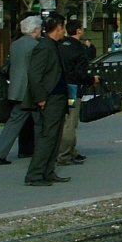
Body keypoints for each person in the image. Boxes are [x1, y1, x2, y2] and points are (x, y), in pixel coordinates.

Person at [24, 13, 72, 186]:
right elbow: (34, 75)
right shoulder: (44, 47)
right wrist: (40, 98)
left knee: (55, 136)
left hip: (59, 96)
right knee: (48, 136)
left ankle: (48, 171)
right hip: (50, 98)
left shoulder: (54, 45)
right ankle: (35, 174)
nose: (64, 31)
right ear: (58, 27)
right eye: (63, 27)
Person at [0, 15, 43, 165]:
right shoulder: (36, 46)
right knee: (41, 122)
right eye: (39, 28)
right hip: (30, 90)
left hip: (16, 89)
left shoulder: (15, 44)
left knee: (13, 123)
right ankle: (43, 152)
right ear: (35, 29)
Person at [58, 19, 100, 167]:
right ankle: (64, 154)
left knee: (64, 120)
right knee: (71, 122)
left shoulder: (60, 44)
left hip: (59, 87)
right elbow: (80, 73)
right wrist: (92, 79)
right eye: (82, 28)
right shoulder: (79, 48)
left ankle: (72, 151)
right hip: (73, 88)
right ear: (78, 30)